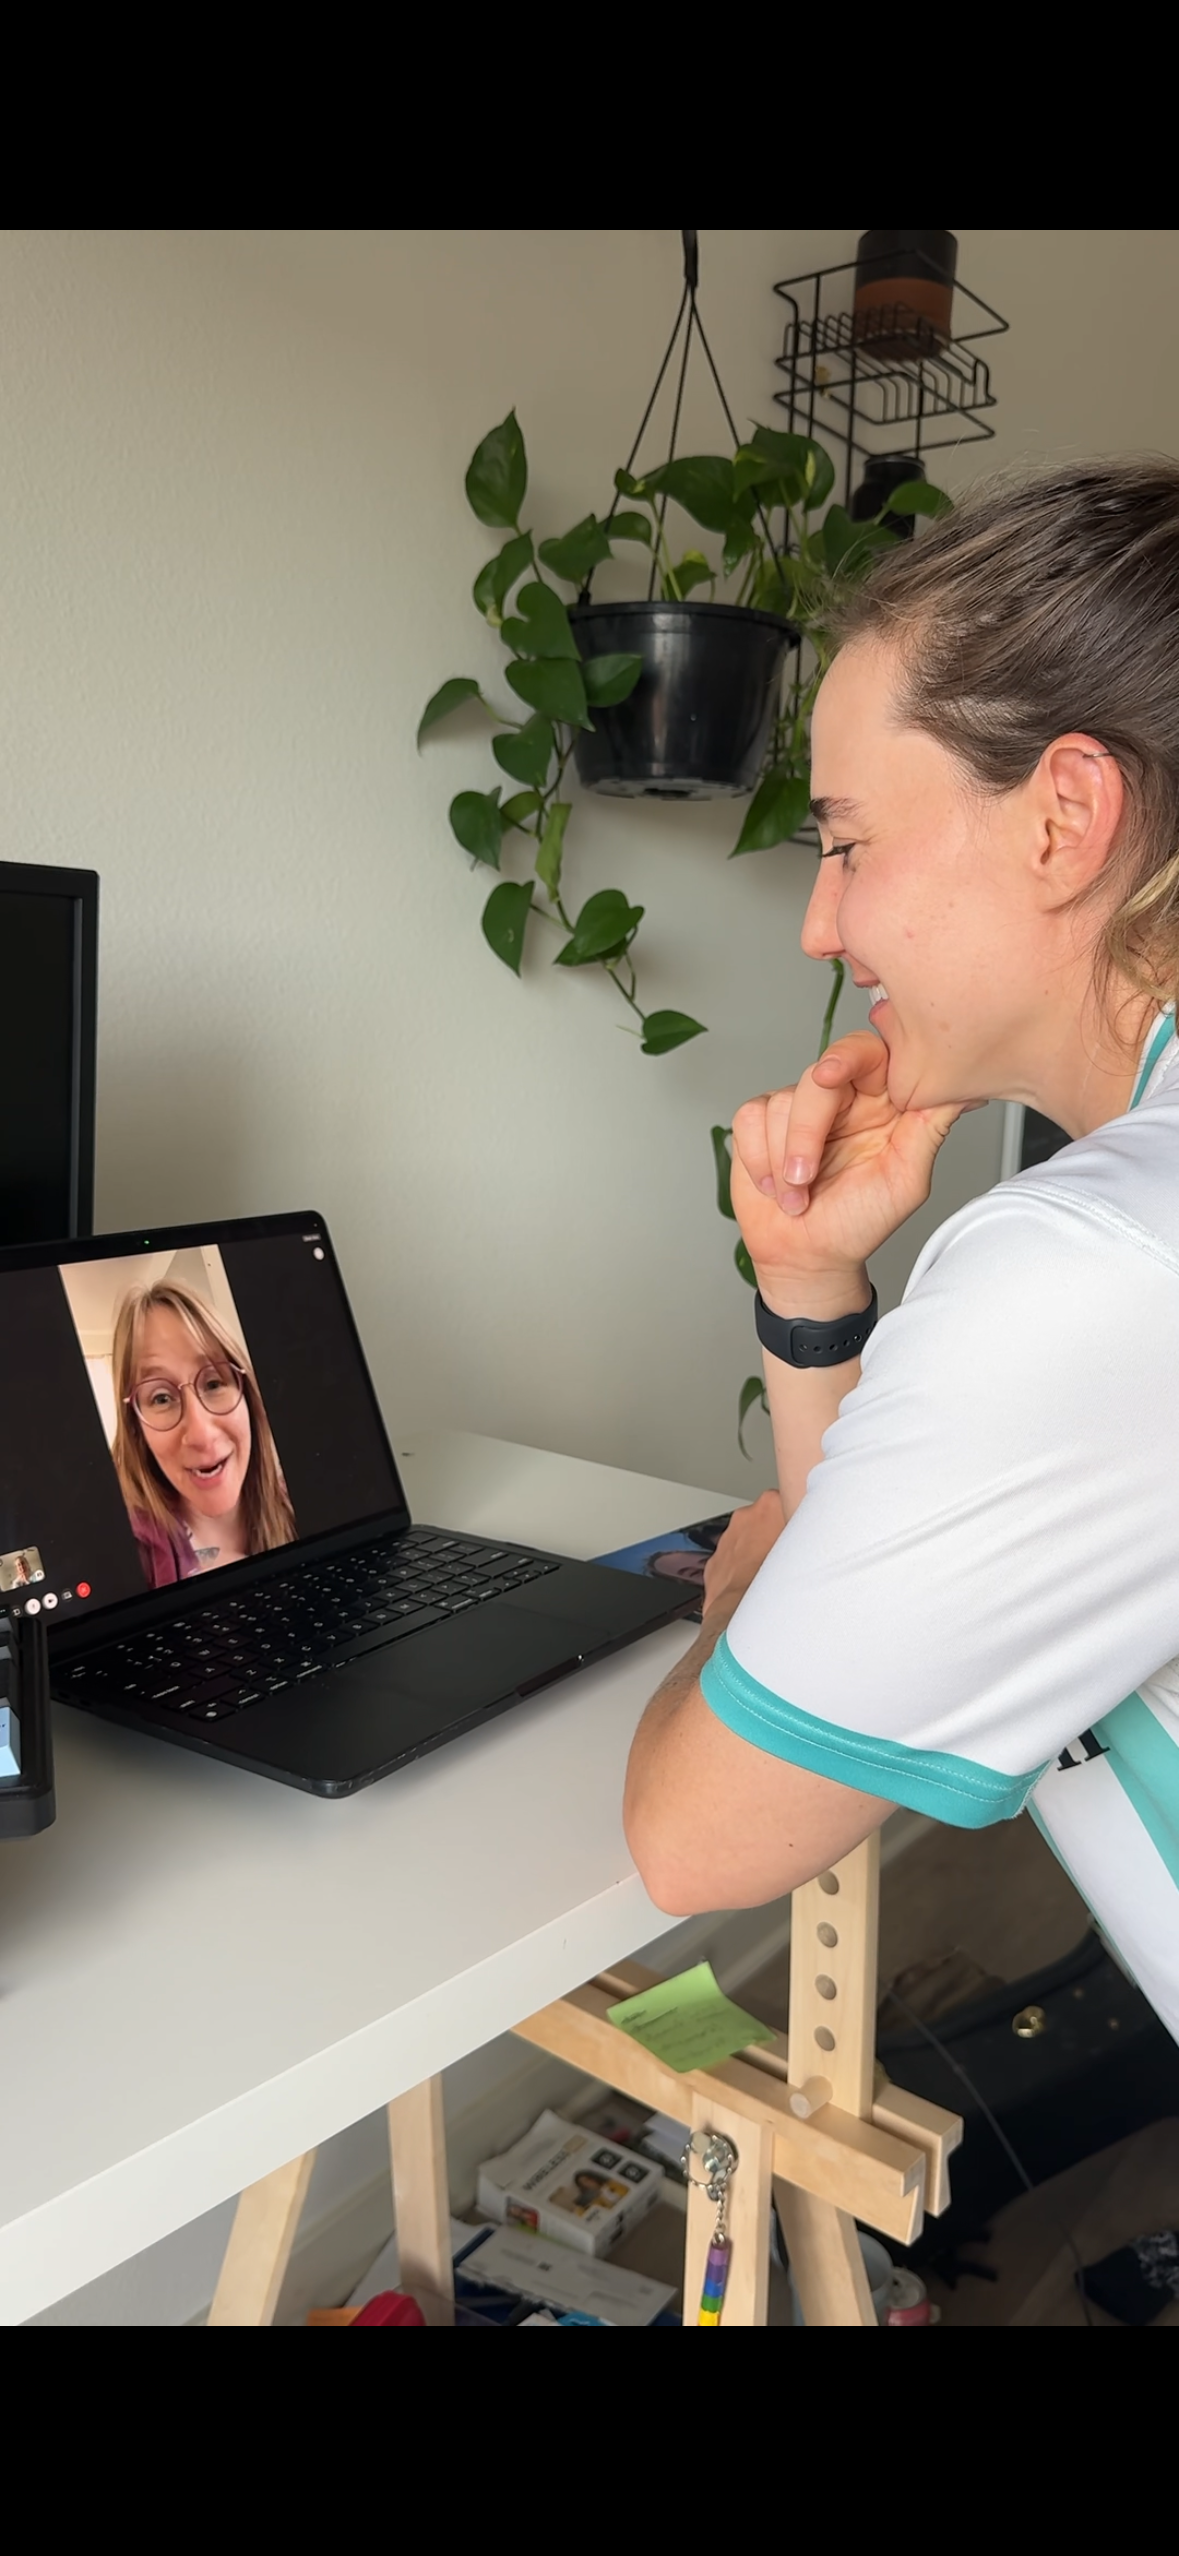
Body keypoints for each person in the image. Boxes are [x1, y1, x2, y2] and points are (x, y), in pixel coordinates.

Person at [624, 458, 1179, 2046]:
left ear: (1062, 817)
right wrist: (808, 1295)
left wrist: (737, 1599)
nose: (819, 925)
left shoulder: (1093, 1265)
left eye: (849, 844)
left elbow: (696, 1837)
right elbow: (880, 1605)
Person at [111, 1280, 296, 1588]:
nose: (201, 1435)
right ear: (137, 1429)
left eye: (213, 1384)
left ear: (248, 1395)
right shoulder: (127, 1561)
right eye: (161, 1398)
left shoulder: (310, 1507)